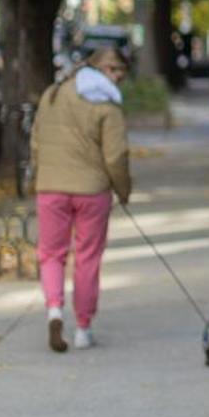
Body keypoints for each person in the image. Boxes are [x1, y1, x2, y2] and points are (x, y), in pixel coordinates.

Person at [31, 45, 132, 352]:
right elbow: (116, 156)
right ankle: (83, 329)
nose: (118, 78)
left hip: (50, 188)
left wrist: (41, 174)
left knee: (51, 254)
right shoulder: (108, 105)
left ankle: (54, 310)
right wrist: (123, 190)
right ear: (102, 69)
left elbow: (36, 141)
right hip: (92, 191)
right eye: (115, 71)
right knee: (87, 257)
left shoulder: (54, 93)